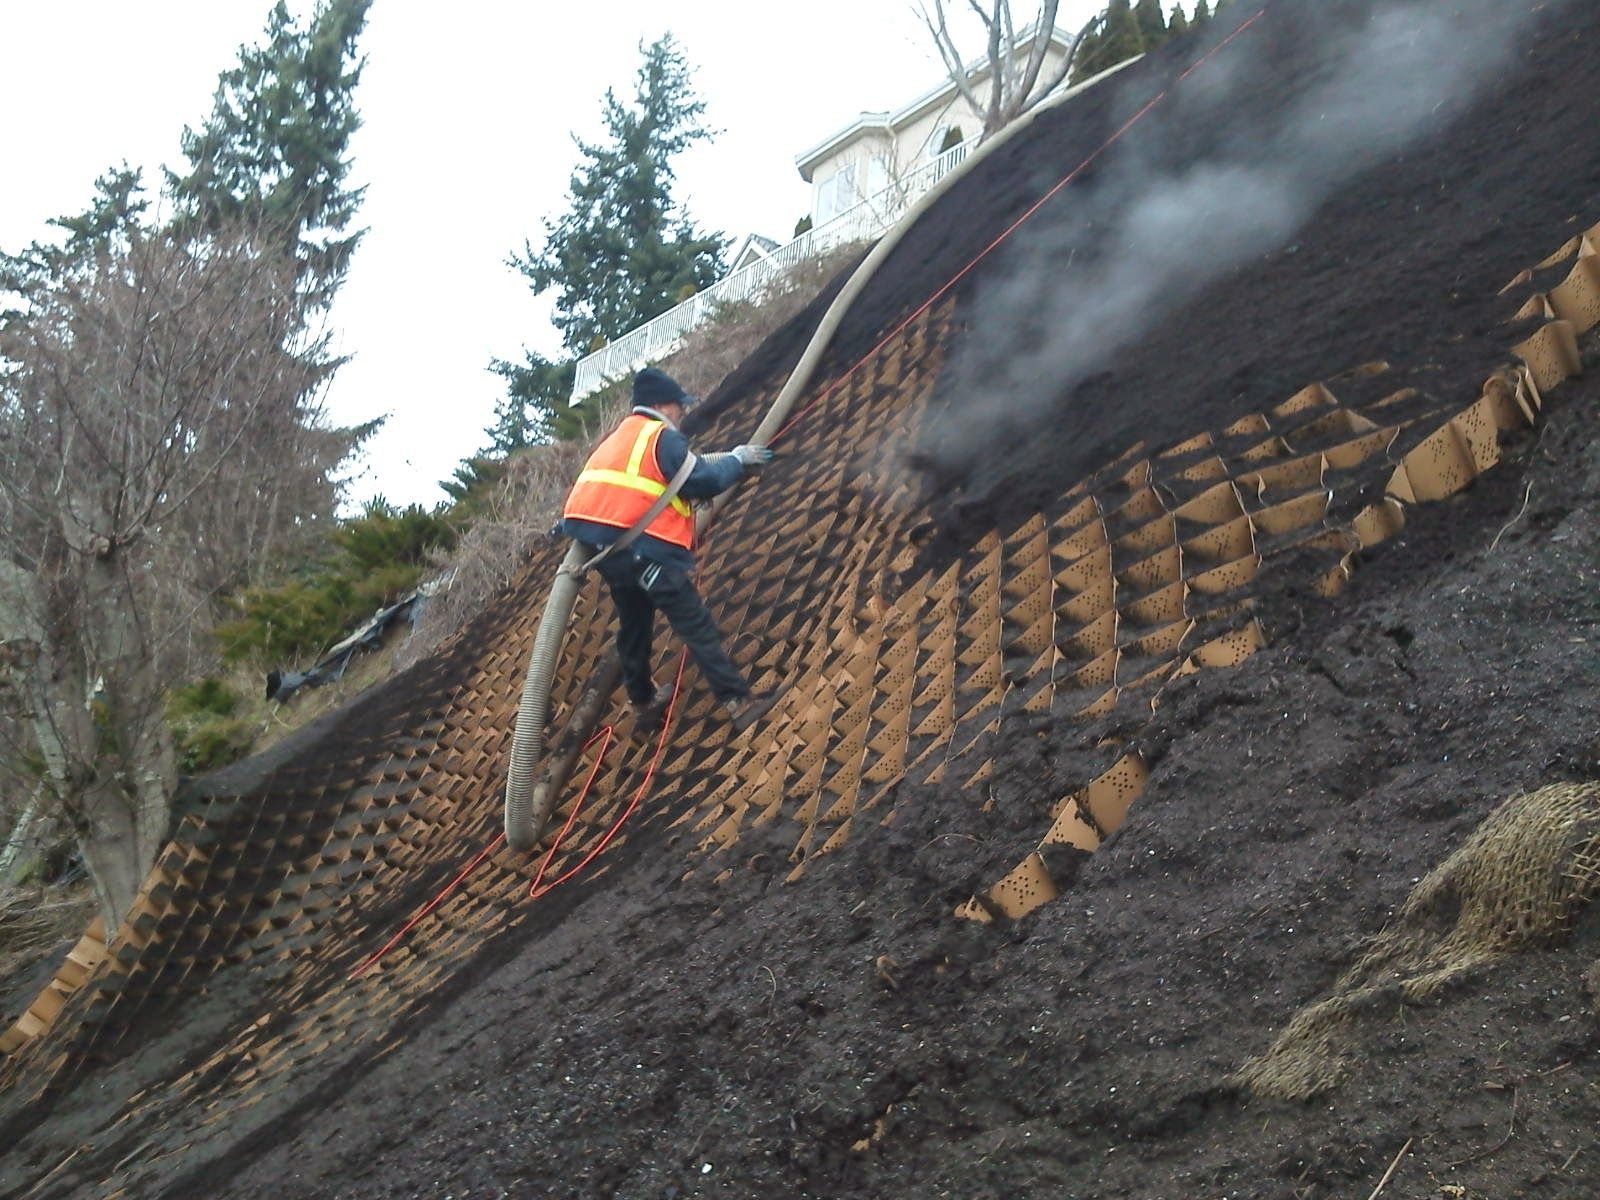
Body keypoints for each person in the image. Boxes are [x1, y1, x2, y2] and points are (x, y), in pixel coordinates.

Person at [561, 366, 780, 733]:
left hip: (605, 551)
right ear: (662, 404)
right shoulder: (661, 435)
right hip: (645, 551)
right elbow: (701, 480)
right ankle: (738, 701)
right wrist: (738, 461)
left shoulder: (617, 439)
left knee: (634, 625)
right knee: (693, 622)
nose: (682, 413)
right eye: (679, 406)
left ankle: (644, 703)